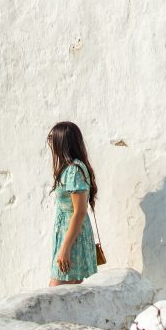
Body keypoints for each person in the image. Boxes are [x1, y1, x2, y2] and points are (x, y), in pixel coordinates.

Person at [47, 120, 98, 286]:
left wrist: (65, 248)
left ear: (62, 142)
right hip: (70, 235)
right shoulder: (72, 168)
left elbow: (79, 211)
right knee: (70, 294)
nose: (50, 143)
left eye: (52, 139)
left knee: (54, 296)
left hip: (72, 239)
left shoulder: (74, 170)